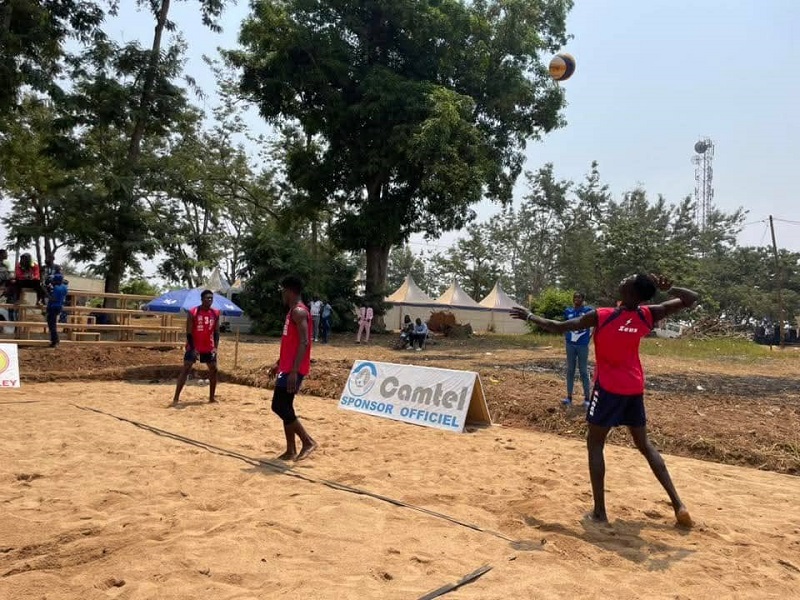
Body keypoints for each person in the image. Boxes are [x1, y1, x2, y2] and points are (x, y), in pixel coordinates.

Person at [511, 273, 698, 528]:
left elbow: (559, 327)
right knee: (644, 445)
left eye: (628, 279)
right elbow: (691, 299)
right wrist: (671, 289)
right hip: (634, 388)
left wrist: (529, 316)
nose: (623, 279)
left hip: (608, 388)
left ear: (631, 292)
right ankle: (678, 505)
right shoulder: (648, 314)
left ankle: (600, 512)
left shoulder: (603, 315)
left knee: (595, 444)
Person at [267, 275, 317, 461]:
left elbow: (304, 342)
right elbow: (291, 343)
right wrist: (278, 363)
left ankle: (308, 441)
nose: (282, 294)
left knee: (279, 405)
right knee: (285, 406)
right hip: (287, 366)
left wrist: (294, 371)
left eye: (283, 290)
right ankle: (291, 450)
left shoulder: (299, 312)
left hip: (293, 369)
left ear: (289, 291)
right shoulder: (292, 312)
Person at [172, 290, 221, 406]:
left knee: (214, 369)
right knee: (186, 368)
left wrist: (215, 347)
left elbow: (216, 332)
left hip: (208, 346)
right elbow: (188, 333)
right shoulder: (193, 312)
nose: (209, 300)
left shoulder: (215, 313)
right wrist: (193, 349)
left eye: (211, 298)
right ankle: (176, 398)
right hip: (194, 345)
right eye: (207, 298)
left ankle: (211, 398)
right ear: (202, 299)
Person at [563, 292, 593, 407]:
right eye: (575, 297)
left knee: (583, 371)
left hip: (582, 345)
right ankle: (569, 397)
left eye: (579, 297)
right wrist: (566, 336)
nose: (576, 299)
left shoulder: (588, 310)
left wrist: (590, 336)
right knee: (570, 370)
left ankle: (587, 398)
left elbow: (595, 323)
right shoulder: (568, 311)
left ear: (583, 299)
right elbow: (564, 325)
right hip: (570, 345)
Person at [46, 273, 68, 348]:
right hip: (59, 307)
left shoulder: (55, 288)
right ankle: (55, 340)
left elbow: (51, 298)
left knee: (52, 325)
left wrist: (47, 289)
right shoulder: (64, 287)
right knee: (52, 324)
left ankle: (55, 341)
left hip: (53, 307)